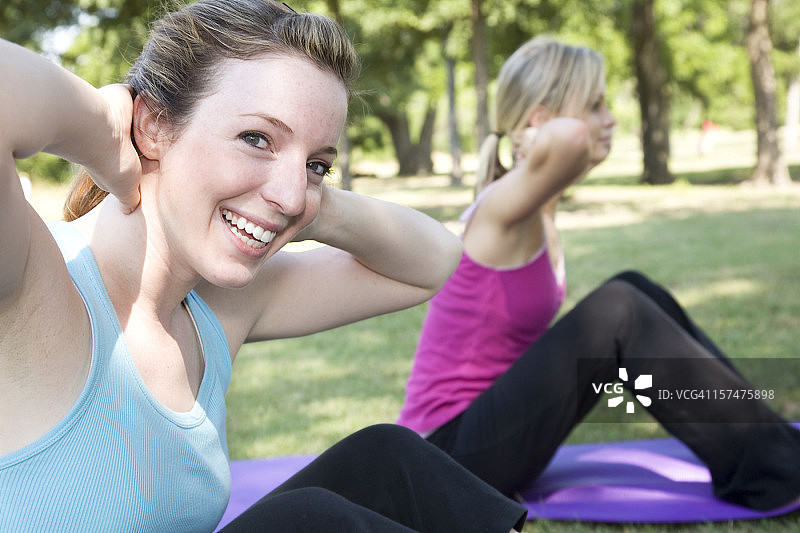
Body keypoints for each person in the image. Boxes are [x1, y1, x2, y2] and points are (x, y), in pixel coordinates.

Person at [0, 1, 528, 531]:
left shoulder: (217, 307)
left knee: (384, 459)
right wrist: (106, 132)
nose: (292, 194)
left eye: (317, 163)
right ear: (154, 124)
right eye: (257, 139)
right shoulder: (32, 283)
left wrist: (303, 198)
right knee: (314, 521)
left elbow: (432, 260)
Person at [397, 36, 800, 513]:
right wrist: (542, 133)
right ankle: (776, 473)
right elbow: (568, 139)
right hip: (444, 457)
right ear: (542, 121)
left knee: (633, 288)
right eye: (595, 104)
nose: (610, 118)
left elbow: (568, 140)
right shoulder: (500, 210)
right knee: (617, 312)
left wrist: (548, 129)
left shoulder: (536, 208)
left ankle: (769, 443)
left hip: (488, 438)